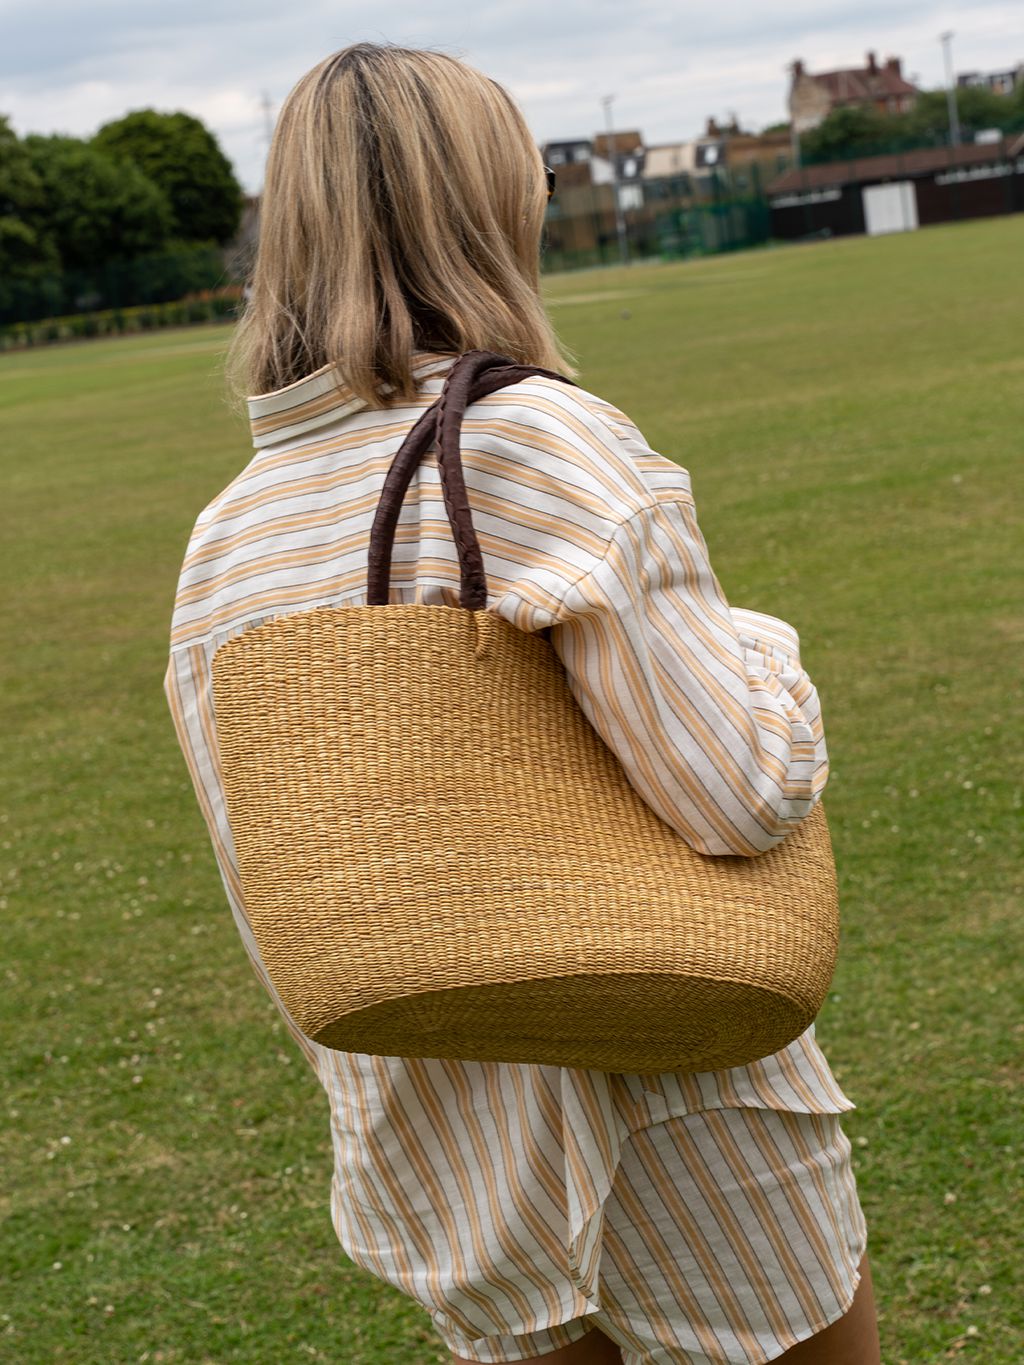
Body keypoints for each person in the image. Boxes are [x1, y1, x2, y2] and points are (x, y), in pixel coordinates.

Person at [164, 42, 881, 1365]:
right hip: (677, 1109)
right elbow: (735, 788)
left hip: (437, 1146)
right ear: (488, 208)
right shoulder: (532, 437)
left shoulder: (225, 541)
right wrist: (770, 652)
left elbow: (288, 904)